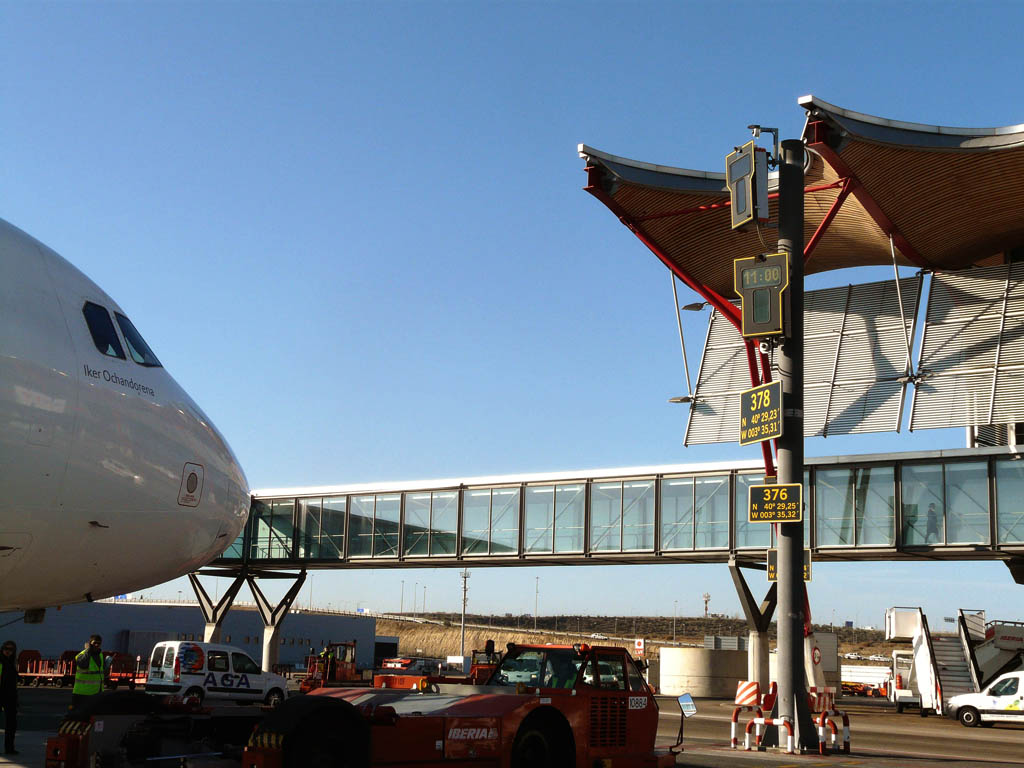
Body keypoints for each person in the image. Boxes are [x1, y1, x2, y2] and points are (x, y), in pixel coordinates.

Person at [72, 635, 107, 709]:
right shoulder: (82, 654)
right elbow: (83, 664)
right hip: (82, 693)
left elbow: (100, 672)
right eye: (95, 643)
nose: (97, 645)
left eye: (99, 643)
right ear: (90, 643)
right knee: (77, 715)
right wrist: (88, 650)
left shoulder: (100, 655)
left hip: (97, 693)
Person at [0, 640, 18, 755]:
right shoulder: (1, 661)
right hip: (1, 694)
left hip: (10, 696)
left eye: (11, 649)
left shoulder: (11, 662)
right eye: (6, 648)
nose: (8, 651)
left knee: (11, 724)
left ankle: (9, 748)